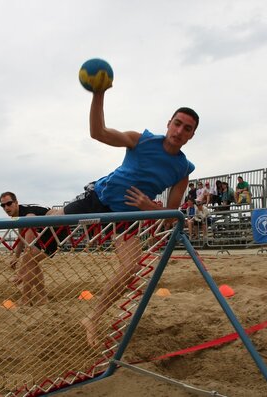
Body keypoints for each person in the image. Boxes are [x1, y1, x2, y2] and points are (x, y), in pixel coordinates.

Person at [47, 87, 198, 346]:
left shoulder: (183, 169)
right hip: (100, 198)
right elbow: (98, 133)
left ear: (191, 136)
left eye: (187, 129)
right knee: (53, 219)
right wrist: (98, 94)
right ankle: (43, 213)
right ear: (168, 124)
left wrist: (148, 207)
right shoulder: (142, 140)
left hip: (127, 215)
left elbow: (171, 215)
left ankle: (92, 318)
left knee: (131, 267)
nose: (179, 131)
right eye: (177, 124)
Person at [0, 192, 59, 305]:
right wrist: (16, 257)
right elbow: (22, 237)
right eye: (3, 205)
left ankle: (26, 299)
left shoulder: (27, 215)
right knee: (33, 262)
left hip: (56, 231)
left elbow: (29, 247)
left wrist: (21, 272)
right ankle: (42, 297)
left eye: (9, 203)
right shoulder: (19, 215)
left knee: (30, 260)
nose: (6, 207)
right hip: (48, 230)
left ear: (16, 203)